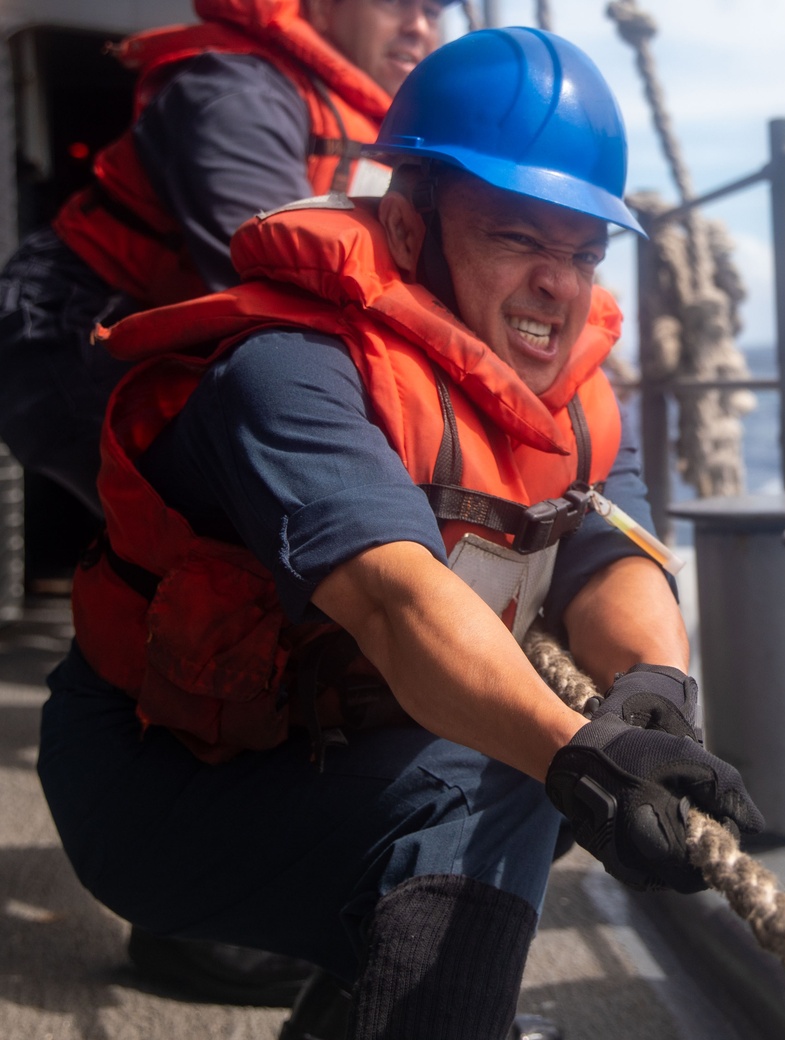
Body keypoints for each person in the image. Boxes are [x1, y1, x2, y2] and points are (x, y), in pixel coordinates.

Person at [36, 27, 763, 1040]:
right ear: (410, 227)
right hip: (160, 786)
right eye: (517, 238)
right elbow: (391, 596)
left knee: (540, 764)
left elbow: (609, 553)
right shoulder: (289, 370)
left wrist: (653, 697)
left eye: (582, 253)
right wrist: (585, 756)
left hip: (335, 753)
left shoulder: (576, 399)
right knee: (519, 768)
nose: (559, 284)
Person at [0, 0, 462, 1004]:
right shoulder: (234, 89)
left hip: (161, 335)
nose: (426, 19)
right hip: (69, 339)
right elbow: (267, 263)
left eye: (443, 2)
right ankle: (194, 918)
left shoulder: (379, 113)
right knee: (226, 563)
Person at [0, 0, 453, 518]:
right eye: (396, 3)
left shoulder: (384, 124)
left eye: (434, 10)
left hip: (195, 331)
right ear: (324, 9)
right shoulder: (238, 92)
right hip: (72, 324)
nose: (418, 25)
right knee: (215, 536)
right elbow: (279, 285)